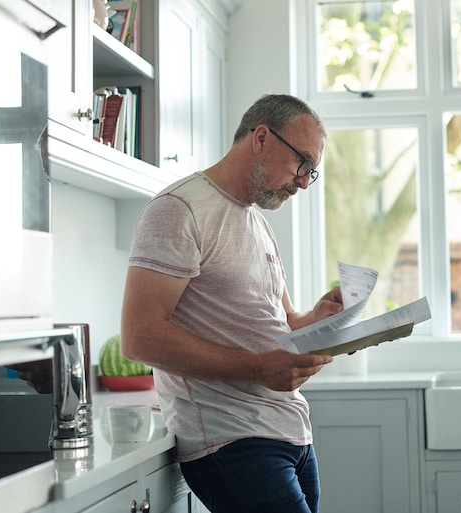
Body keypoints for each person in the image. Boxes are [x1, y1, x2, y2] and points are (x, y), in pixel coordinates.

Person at [120, 93, 342, 513]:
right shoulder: (179, 210)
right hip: (232, 440)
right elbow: (140, 337)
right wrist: (258, 367)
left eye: (311, 173)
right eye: (302, 164)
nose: (302, 182)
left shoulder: (256, 222)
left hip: (291, 432)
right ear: (261, 138)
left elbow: (282, 324)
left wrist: (319, 318)